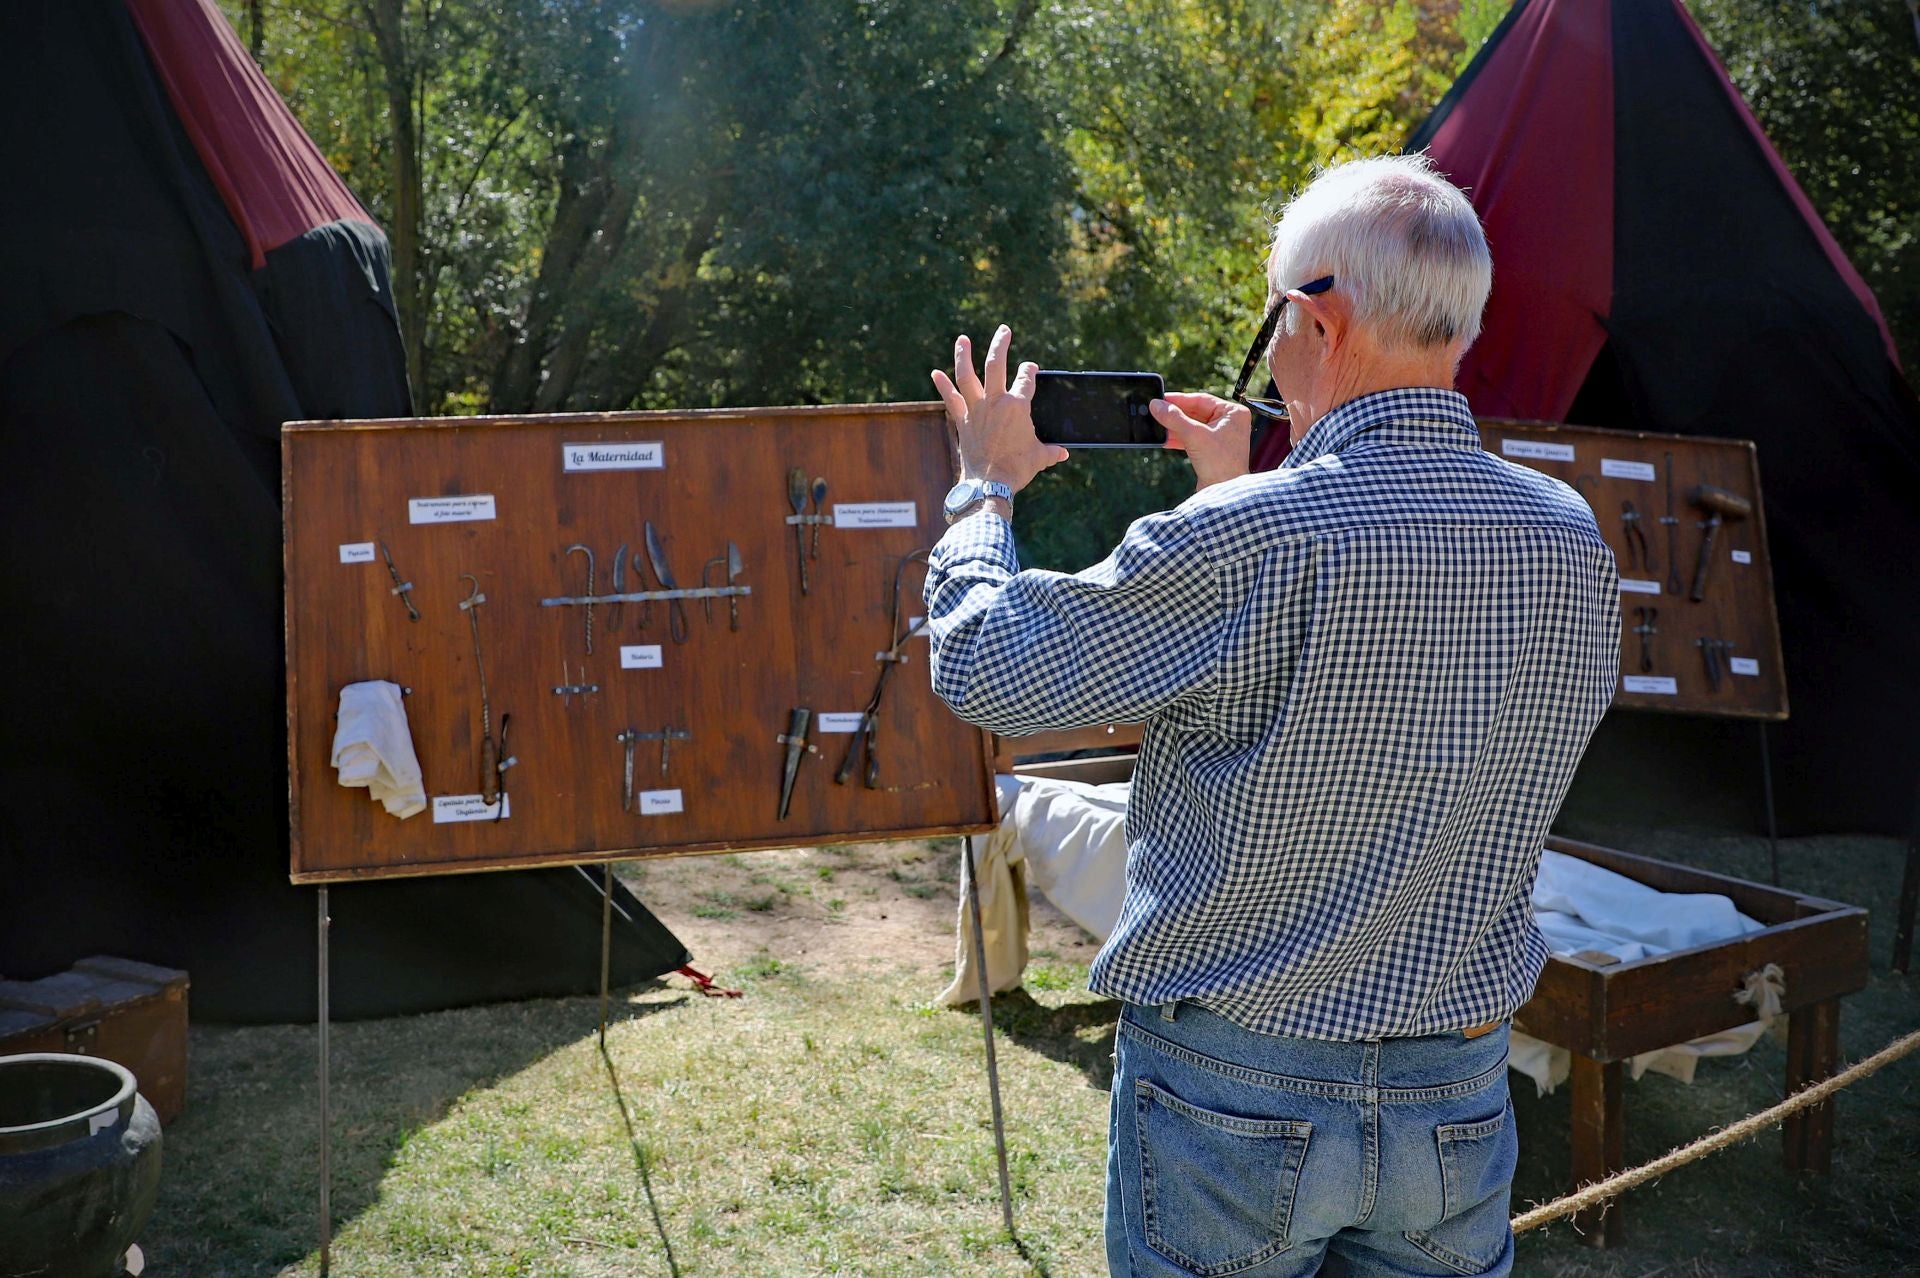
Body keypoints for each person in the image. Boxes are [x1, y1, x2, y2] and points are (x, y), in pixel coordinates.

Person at [922, 154, 1619, 1277]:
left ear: (1315, 315)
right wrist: (1232, 486)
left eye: (1273, 322)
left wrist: (985, 487)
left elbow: (989, 667)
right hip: (1457, 1087)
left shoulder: (1258, 535)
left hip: (1232, 1091)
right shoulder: (1569, 536)